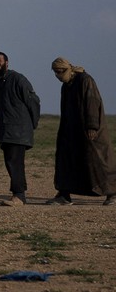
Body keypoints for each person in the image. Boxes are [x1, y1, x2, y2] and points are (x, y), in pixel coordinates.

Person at [48, 57, 116, 205]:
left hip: (90, 131)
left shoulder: (85, 80)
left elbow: (92, 102)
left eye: (60, 72)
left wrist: (92, 126)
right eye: (55, 72)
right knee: (67, 160)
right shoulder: (66, 85)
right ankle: (64, 194)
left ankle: (112, 193)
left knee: (99, 160)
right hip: (72, 131)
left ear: (67, 69)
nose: (58, 75)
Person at [0, 52, 40, 206]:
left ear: (7, 62)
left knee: (15, 162)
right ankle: (19, 195)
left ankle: (19, 196)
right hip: (6, 131)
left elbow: (33, 101)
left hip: (19, 130)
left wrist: (32, 124)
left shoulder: (18, 79)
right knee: (11, 162)